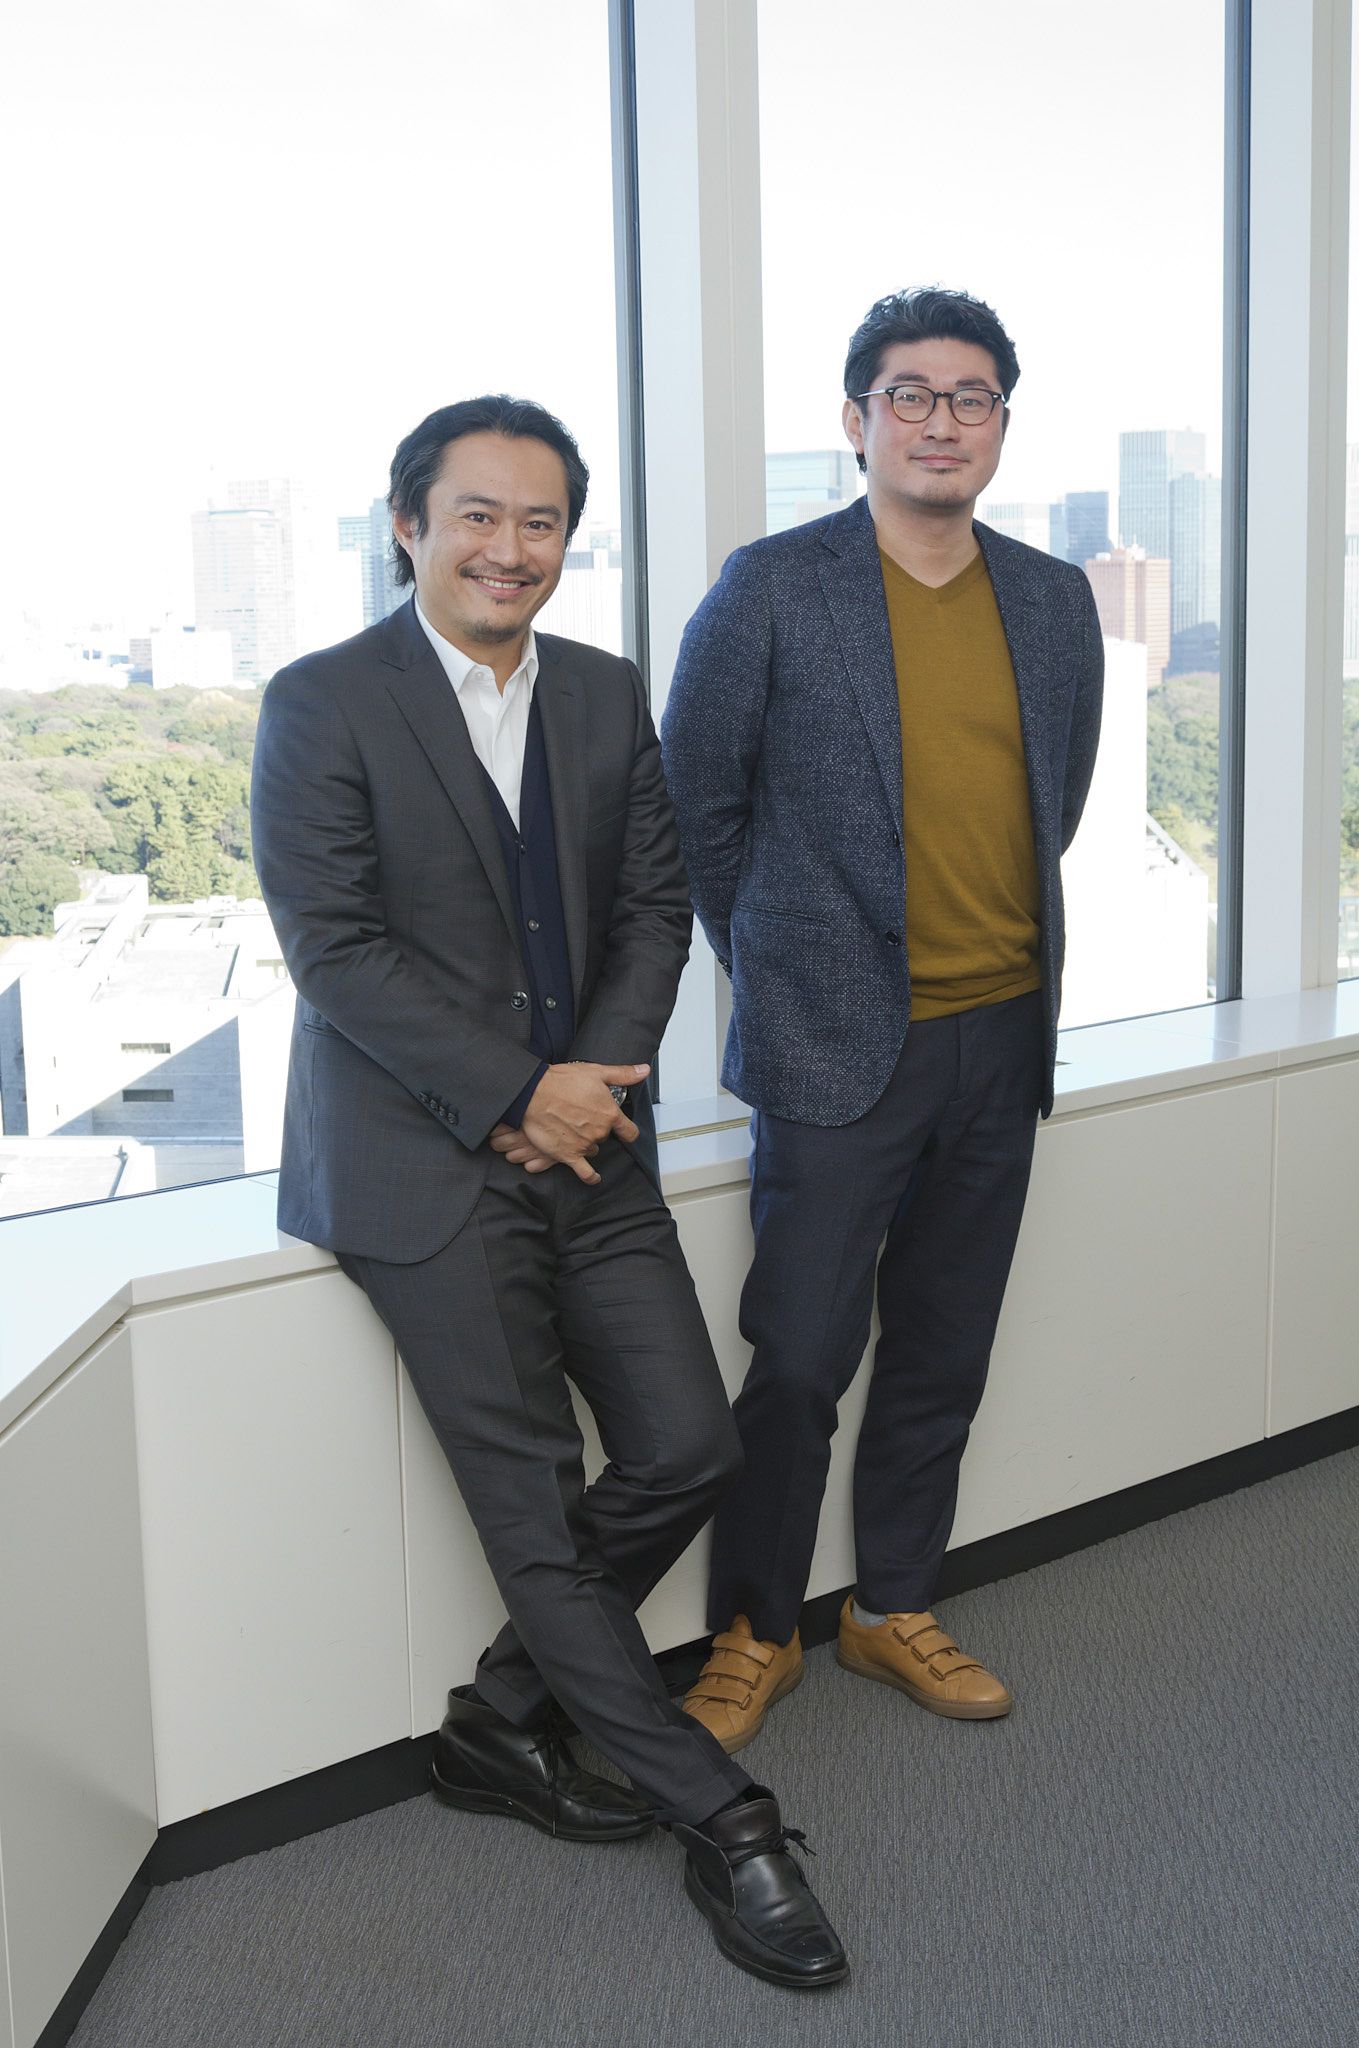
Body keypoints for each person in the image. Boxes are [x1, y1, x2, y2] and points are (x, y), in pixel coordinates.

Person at [249, 395, 846, 1989]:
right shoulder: (322, 702)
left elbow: (655, 905)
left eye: (540, 523)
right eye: (477, 515)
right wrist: (515, 1092)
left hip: (590, 1144)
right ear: (408, 525)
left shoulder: (599, 690)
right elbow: (333, 950)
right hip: (416, 1170)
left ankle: (500, 1718)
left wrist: (581, 1084)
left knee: (691, 1445)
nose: (509, 548)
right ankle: (726, 1822)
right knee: (533, 1508)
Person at [660, 289, 1104, 1752]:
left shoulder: (1052, 599)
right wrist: (783, 966)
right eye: (909, 394)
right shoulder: (772, 588)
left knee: (943, 1344)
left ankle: (891, 1604)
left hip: (1003, 1028)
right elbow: (695, 811)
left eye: (970, 398)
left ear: (1000, 428)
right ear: (856, 421)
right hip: (836, 1042)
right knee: (797, 1356)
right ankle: (755, 1629)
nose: (939, 421)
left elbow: (1055, 800)